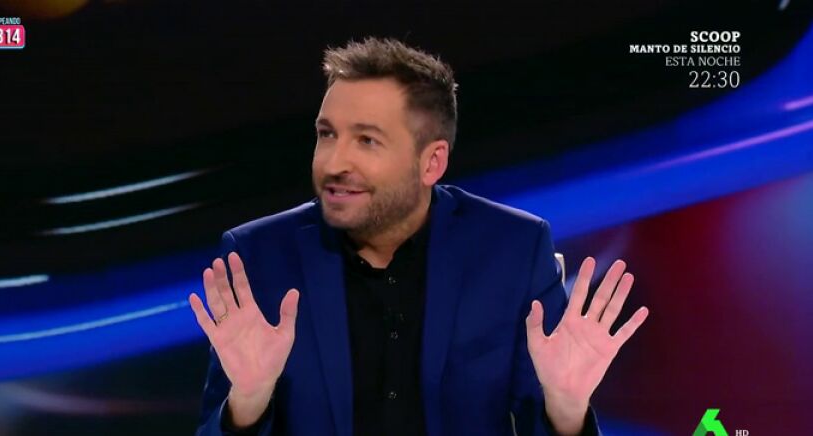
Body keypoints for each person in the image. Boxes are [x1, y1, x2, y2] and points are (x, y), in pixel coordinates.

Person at [189, 37, 649, 436]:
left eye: (366, 140)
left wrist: (566, 409)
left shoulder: (512, 249)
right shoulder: (260, 257)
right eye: (326, 135)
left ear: (432, 162)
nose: (333, 162)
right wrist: (248, 402)